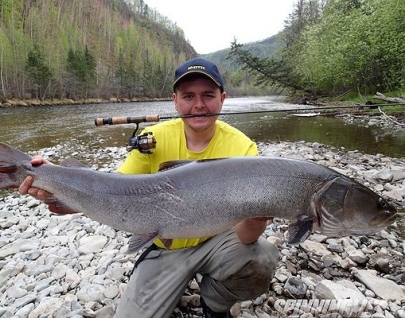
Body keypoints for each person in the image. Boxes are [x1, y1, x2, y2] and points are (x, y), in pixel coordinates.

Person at [19, 57, 280, 318]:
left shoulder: (244, 150)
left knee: (262, 257)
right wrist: (54, 181)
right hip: (165, 248)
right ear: (175, 100)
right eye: (188, 96)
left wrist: (258, 218)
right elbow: (111, 194)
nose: (199, 104)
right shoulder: (151, 139)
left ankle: (215, 302)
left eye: (208, 95)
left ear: (222, 98)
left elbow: (246, 238)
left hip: (217, 243)